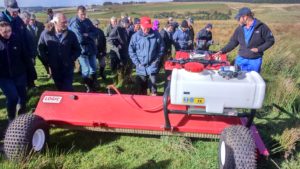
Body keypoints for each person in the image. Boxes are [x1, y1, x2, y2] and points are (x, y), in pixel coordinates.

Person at [217, 7, 275, 73]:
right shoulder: (239, 28)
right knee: (237, 79)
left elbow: (270, 40)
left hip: (255, 60)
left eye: (239, 18)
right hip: (241, 59)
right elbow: (233, 42)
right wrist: (222, 51)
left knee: (252, 81)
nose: (238, 20)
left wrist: (259, 49)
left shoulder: (261, 27)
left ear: (245, 17)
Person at [0, 21, 34, 122]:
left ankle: (21, 116)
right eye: (4, 32)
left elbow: (25, 56)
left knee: (22, 96)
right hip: (4, 77)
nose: (7, 34)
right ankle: (11, 117)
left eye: (9, 31)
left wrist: (30, 71)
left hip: (19, 74)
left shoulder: (17, 39)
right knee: (12, 97)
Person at [38, 13, 81, 91]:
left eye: (66, 22)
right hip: (54, 67)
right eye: (63, 22)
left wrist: (71, 58)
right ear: (55, 23)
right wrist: (47, 61)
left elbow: (78, 49)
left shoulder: (71, 34)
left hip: (68, 67)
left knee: (68, 88)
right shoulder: (45, 34)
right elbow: (40, 49)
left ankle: (70, 101)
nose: (65, 24)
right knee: (59, 87)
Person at [0, 0, 37, 89]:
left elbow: (25, 35)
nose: (15, 12)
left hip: (22, 48)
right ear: (7, 9)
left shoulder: (18, 19)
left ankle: (30, 85)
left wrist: (31, 52)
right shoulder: (2, 20)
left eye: (17, 10)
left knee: (27, 66)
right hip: (8, 50)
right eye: (13, 10)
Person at [129, 16, 165, 96]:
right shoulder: (135, 37)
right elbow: (131, 51)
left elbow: (161, 48)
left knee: (153, 85)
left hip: (152, 64)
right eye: (145, 27)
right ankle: (143, 101)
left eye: (148, 27)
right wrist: (137, 63)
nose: (147, 29)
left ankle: (153, 98)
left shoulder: (156, 35)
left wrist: (157, 60)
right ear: (141, 26)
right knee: (141, 87)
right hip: (141, 66)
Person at [69, 6, 98, 92]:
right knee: (86, 69)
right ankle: (88, 87)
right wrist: (90, 36)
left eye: (85, 14)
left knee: (94, 67)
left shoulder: (87, 21)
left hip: (91, 49)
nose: (84, 16)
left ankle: (93, 84)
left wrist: (88, 35)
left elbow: (96, 32)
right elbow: (80, 39)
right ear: (77, 13)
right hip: (82, 50)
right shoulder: (75, 23)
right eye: (82, 14)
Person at [108, 17, 131, 86]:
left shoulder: (124, 29)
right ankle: (116, 82)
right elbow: (110, 39)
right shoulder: (117, 28)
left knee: (123, 66)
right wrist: (117, 45)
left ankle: (122, 82)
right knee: (117, 67)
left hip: (124, 51)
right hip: (117, 52)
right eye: (127, 24)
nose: (128, 26)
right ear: (123, 23)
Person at [19, 11, 38, 88]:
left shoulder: (25, 28)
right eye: (27, 19)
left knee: (30, 70)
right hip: (27, 55)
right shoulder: (21, 29)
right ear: (23, 18)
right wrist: (31, 56)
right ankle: (30, 86)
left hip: (30, 54)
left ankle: (31, 85)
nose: (29, 21)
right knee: (29, 71)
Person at [28, 13, 49, 77]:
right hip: (31, 48)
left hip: (40, 47)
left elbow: (45, 34)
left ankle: (49, 73)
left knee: (45, 61)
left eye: (33, 19)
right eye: (30, 19)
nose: (32, 21)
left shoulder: (40, 25)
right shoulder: (25, 26)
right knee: (32, 63)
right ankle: (33, 76)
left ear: (35, 19)